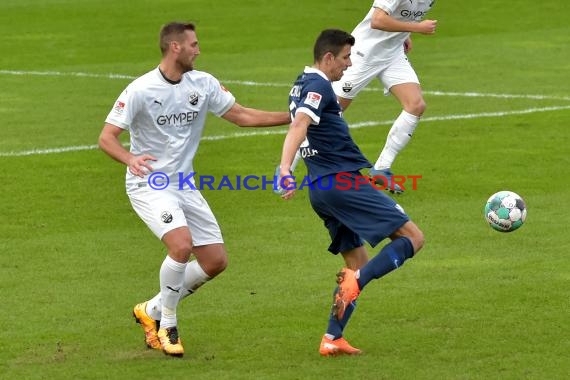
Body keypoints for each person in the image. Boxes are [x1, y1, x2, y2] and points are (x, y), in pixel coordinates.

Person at [98, 21, 290, 357]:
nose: (199, 51)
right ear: (175, 47)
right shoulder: (140, 90)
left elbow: (242, 115)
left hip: (184, 184)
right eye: (194, 45)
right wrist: (129, 157)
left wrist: (295, 117)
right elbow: (106, 137)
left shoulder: (203, 84)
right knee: (181, 245)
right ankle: (168, 325)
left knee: (215, 261)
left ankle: (151, 309)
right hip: (150, 183)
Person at [278, 29, 424, 356]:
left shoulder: (300, 83)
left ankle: (333, 337)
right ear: (328, 58)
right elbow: (299, 124)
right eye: (345, 58)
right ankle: (355, 284)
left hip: (320, 189)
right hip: (342, 183)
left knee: (357, 263)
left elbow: (300, 124)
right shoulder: (317, 86)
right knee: (413, 238)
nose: (348, 65)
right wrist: (285, 168)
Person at [331, 0, 438, 193]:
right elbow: (378, 20)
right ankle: (286, 169)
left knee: (415, 105)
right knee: (328, 112)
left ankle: (381, 168)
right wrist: (417, 28)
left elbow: (404, 15)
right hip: (364, 54)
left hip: (392, 55)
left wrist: (404, 35)